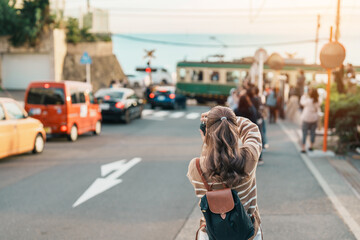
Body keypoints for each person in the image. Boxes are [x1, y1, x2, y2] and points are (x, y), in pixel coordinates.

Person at [187, 106, 263, 240]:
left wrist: (211, 134)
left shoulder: (196, 166)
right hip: (247, 233)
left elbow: (210, 161)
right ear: (233, 130)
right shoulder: (249, 158)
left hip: (212, 234)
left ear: (207, 133)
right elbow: (252, 129)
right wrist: (227, 119)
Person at [300, 88, 320, 153]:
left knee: (304, 133)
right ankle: (311, 146)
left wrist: (304, 95)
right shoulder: (318, 101)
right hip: (314, 119)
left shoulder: (308, 101)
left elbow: (302, 102)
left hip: (306, 118)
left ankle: (303, 148)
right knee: (312, 133)